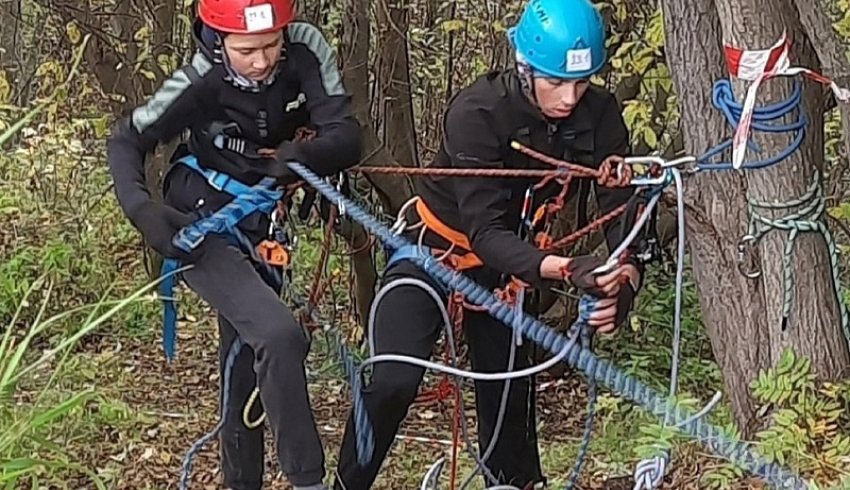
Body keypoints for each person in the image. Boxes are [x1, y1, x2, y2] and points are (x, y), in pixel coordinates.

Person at [332, 0, 646, 488]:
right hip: (431, 254)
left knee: (509, 409)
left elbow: (618, 206)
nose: (569, 97)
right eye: (556, 82)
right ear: (525, 68)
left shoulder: (599, 116)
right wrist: (567, 269)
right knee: (394, 380)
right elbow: (486, 232)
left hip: (506, 275)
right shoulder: (478, 113)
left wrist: (626, 273)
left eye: (581, 83)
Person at [106, 0, 361, 488]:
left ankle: (240, 481)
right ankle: (308, 479)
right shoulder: (199, 78)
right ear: (217, 39)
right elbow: (126, 139)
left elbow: (346, 134)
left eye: (270, 46)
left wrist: (303, 156)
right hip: (199, 219)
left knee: (246, 356)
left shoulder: (304, 49)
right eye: (247, 50)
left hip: (263, 218)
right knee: (279, 335)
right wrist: (143, 211)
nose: (262, 62)